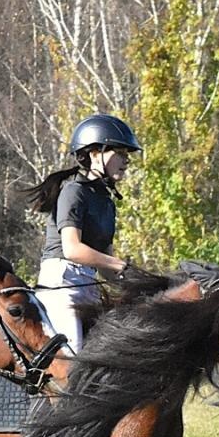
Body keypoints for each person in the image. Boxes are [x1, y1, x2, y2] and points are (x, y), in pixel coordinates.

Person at [26, 114, 140, 352]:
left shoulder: (106, 202)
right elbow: (73, 249)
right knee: (75, 357)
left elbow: (107, 268)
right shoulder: (73, 191)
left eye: (126, 155)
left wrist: (140, 283)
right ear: (94, 154)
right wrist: (121, 265)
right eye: (119, 153)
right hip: (62, 285)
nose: (126, 160)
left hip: (88, 285)